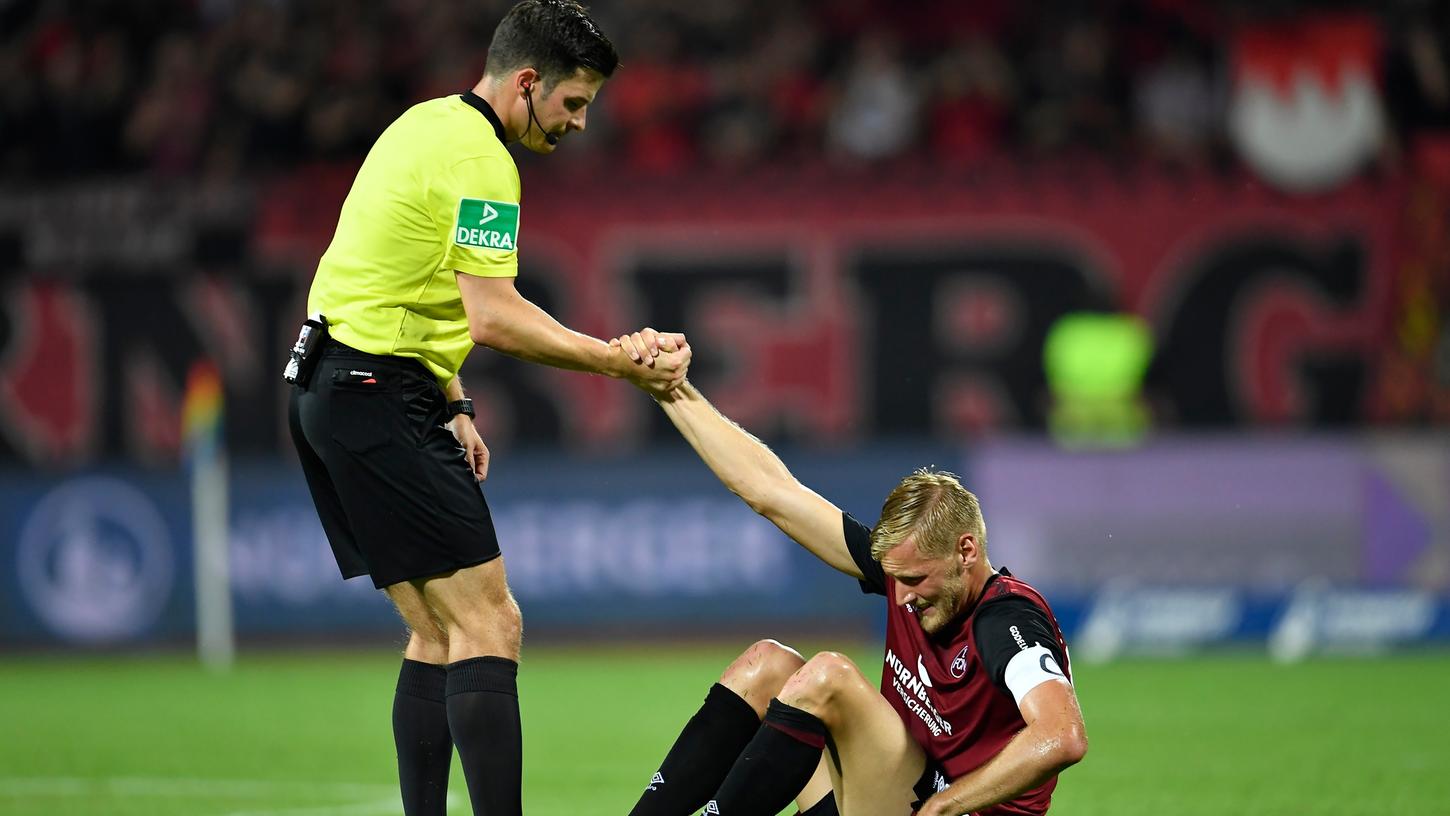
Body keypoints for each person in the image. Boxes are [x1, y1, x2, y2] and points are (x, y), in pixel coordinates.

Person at [286, 4, 690, 815]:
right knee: (491, 624)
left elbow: (385, 275)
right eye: (573, 104)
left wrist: (454, 399)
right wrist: (614, 359)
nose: (578, 125)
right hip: (375, 392)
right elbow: (493, 317)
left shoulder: (424, 125)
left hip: (327, 385)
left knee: (438, 634)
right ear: (528, 82)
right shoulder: (484, 162)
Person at [613, 332, 1086, 816]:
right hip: (893, 796)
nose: (899, 597)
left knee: (830, 677)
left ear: (966, 550)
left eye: (916, 580)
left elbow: (1063, 736)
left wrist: (945, 805)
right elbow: (770, 491)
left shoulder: (1006, 619)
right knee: (768, 664)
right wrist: (671, 391)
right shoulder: (905, 574)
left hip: (953, 809)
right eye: (893, 579)